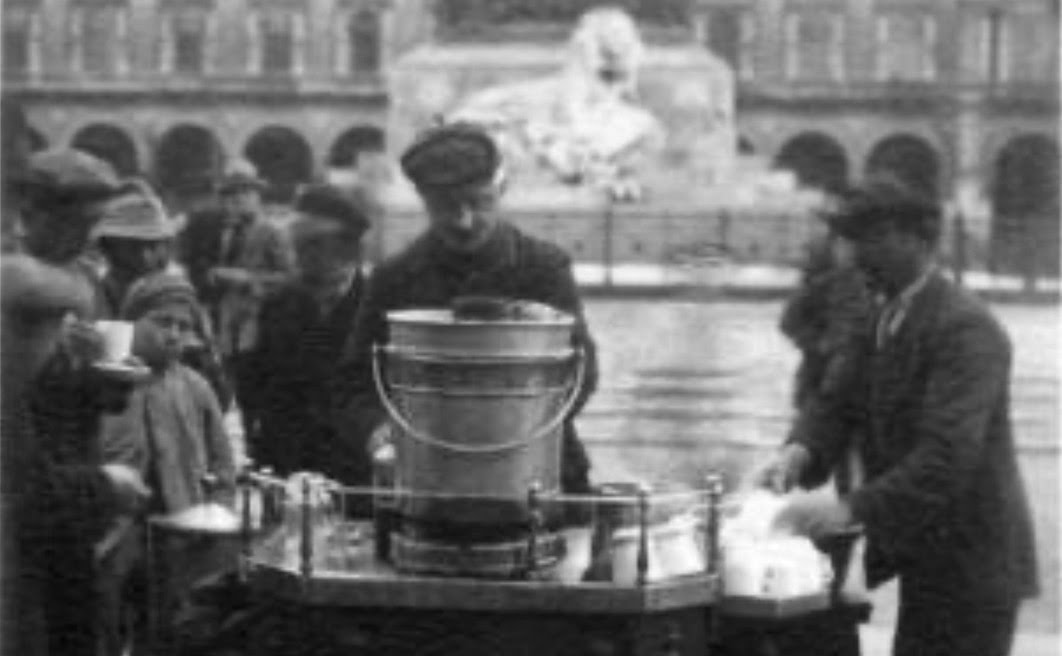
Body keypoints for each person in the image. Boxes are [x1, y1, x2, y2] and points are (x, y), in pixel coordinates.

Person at [760, 176, 1039, 656]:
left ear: (918, 240)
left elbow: (946, 458)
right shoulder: (883, 315)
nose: (856, 256)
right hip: (928, 560)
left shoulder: (965, 328)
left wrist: (847, 509)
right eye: (853, 240)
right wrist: (798, 451)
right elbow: (834, 401)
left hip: (974, 565)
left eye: (871, 240)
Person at [333, 122, 598, 492]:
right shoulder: (394, 279)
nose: (464, 220)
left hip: (537, 476)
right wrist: (377, 431)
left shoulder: (543, 268)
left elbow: (582, 371)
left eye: (478, 201)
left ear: (499, 190)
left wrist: (510, 425)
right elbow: (353, 385)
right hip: (427, 480)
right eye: (445, 207)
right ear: (424, 202)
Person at [2, 143, 151, 656]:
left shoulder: (71, 281)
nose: (89, 238)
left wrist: (100, 381)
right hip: (22, 543)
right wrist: (103, 484)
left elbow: (57, 393)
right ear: (31, 214)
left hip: (64, 527)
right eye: (79, 224)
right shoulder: (21, 292)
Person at [252, 184, 371, 482]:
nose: (299, 255)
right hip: (291, 474)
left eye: (314, 243)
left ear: (348, 247)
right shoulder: (278, 306)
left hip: (357, 475)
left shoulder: (378, 309)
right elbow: (260, 390)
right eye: (298, 243)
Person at [178, 161, 295, 440]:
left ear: (257, 196)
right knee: (235, 395)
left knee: (260, 398)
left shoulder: (272, 232)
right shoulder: (225, 233)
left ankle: (261, 445)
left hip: (263, 329)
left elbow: (289, 279)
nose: (235, 202)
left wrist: (244, 278)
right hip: (228, 327)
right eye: (229, 196)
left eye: (243, 194)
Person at [95, 178, 232, 409]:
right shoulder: (95, 298)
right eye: (133, 247)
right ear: (109, 249)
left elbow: (219, 394)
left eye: (155, 246)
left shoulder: (178, 297)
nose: (147, 258)